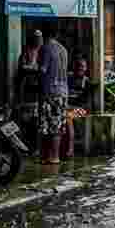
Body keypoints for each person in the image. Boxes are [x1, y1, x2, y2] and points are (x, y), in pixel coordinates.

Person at [37, 30, 70, 164]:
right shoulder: (63, 49)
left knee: (48, 126)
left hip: (50, 91)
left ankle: (51, 156)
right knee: (58, 125)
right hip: (63, 91)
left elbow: (43, 70)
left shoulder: (46, 48)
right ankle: (53, 156)